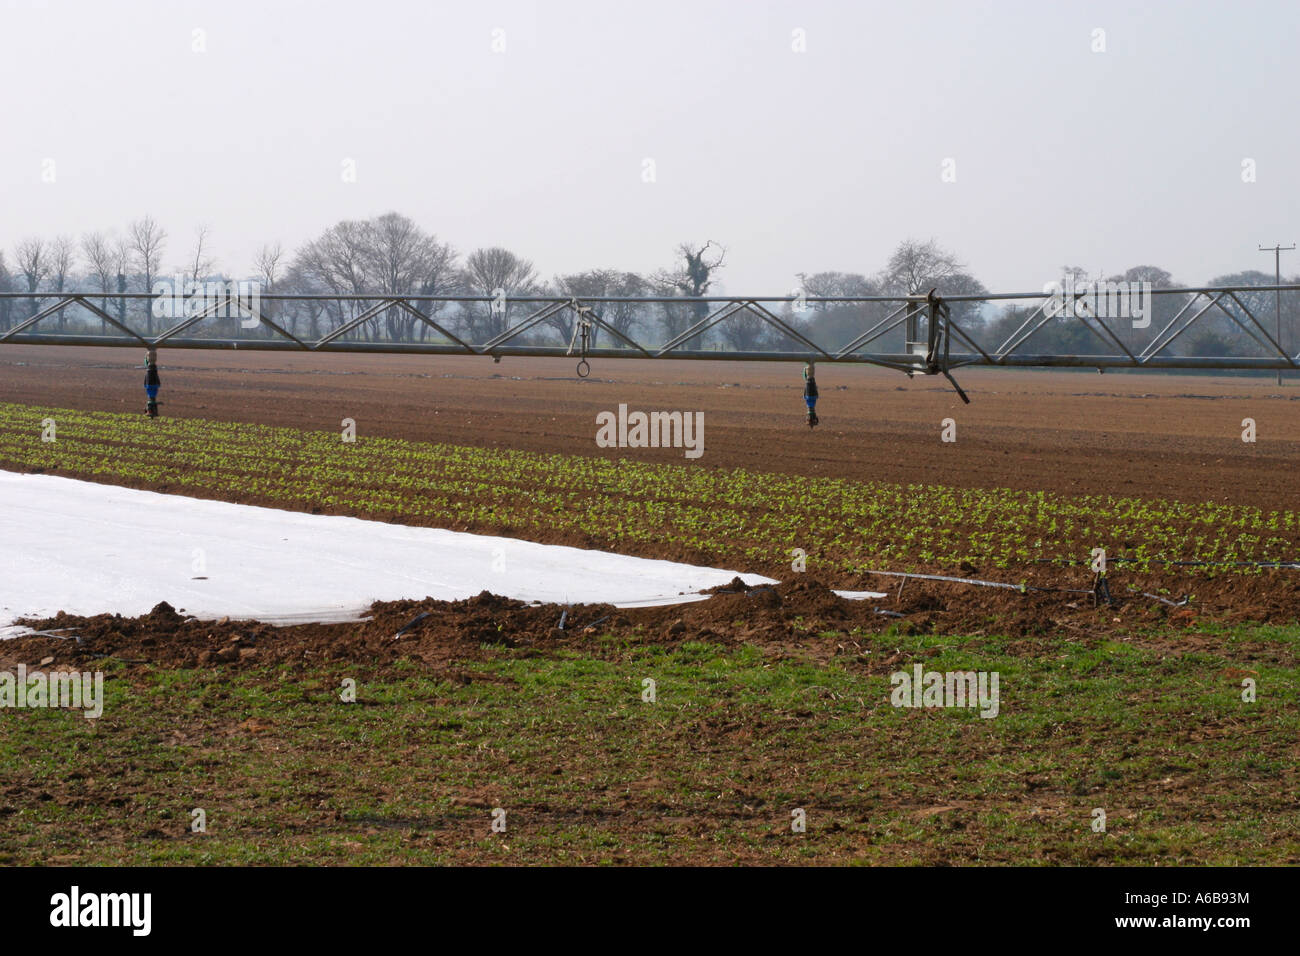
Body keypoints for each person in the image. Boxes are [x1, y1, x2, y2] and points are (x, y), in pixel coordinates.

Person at [144, 348, 161, 418]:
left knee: (151, 370)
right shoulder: (151, 392)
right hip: (152, 385)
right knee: (151, 371)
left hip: (151, 385)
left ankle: (150, 411)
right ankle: (151, 411)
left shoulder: (151, 391)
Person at [802, 362, 819, 428]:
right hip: (809, 396)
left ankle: (809, 366)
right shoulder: (808, 403)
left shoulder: (812, 405)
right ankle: (809, 366)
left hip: (812, 396)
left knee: (810, 381)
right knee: (809, 381)